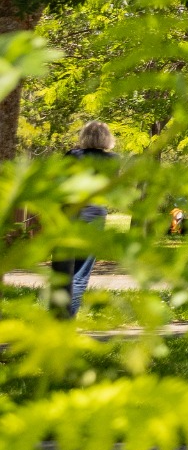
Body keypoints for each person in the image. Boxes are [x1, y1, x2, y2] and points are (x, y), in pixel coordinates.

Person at [50, 121, 116, 319]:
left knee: (61, 272)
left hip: (69, 216)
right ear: (107, 138)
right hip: (95, 218)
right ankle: (68, 320)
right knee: (80, 274)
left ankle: (56, 319)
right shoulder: (113, 160)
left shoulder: (73, 155)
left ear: (84, 136)